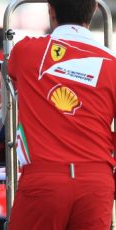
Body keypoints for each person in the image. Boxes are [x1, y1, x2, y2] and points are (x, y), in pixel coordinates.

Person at [8, 0, 116, 229]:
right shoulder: (113, 64)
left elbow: (9, 74)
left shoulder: (26, 51)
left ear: (50, 10)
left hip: (45, 181)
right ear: (95, 9)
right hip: (97, 182)